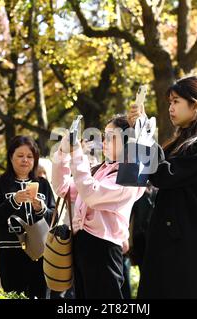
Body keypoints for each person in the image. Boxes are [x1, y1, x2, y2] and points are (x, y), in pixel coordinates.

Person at [128, 75, 197, 298]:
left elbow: (163, 175)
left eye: (176, 101)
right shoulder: (178, 144)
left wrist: (145, 132)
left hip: (189, 250)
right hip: (172, 247)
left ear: (195, 105)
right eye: (170, 102)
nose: (170, 108)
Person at [52, 115, 145, 299]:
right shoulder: (99, 170)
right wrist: (62, 153)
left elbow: (92, 195)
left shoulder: (130, 175)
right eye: (105, 136)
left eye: (112, 137)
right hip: (83, 246)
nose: (104, 142)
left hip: (104, 249)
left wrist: (77, 154)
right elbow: (62, 188)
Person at [0, 135, 56, 298]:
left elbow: (53, 217)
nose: (25, 160)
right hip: (10, 252)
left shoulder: (43, 184)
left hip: (40, 252)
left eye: (30, 156)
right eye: (20, 156)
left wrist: (40, 208)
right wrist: (14, 201)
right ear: (11, 157)